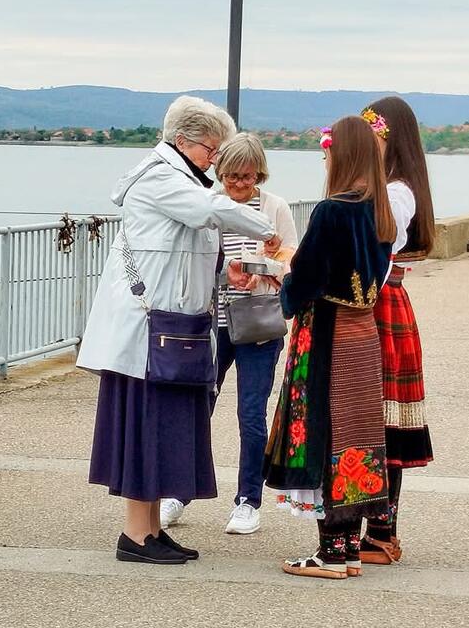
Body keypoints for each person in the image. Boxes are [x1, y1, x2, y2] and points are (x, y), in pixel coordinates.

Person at [77, 96, 281, 565]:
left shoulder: (181, 178)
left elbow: (188, 248)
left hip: (170, 328)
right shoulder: (161, 179)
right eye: (213, 148)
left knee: (160, 428)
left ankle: (150, 531)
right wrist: (263, 223)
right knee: (145, 425)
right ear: (183, 141)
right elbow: (206, 211)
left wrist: (223, 270)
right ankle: (135, 535)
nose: (217, 158)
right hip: (146, 333)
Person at [260, 115, 394, 579]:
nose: (325, 157)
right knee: (354, 432)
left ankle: (331, 553)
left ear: (343, 153)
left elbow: (309, 278)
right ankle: (348, 547)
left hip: (327, 333)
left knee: (320, 427)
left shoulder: (332, 210)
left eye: (328, 150)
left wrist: (285, 285)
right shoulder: (380, 212)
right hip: (363, 333)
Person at [159, 132, 299, 535]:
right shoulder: (210, 208)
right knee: (197, 407)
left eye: (246, 176)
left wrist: (263, 270)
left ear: (260, 173)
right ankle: (177, 491)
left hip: (258, 322)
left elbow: (290, 258)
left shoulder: (275, 208)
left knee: (251, 414)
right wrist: (227, 271)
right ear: (219, 173)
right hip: (213, 323)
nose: (238, 185)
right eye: (231, 177)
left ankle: (247, 500)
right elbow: (195, 262)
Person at [357, 97, 436, 565]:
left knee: (383, 420)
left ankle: (382, 531)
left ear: (391, 138)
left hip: (381, 305)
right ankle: (378, 529)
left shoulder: (397, 193)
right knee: (378, 417)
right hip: (385, 304)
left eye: (375, 134)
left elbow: (375, 246)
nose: (369, 142)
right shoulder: (392, 187)